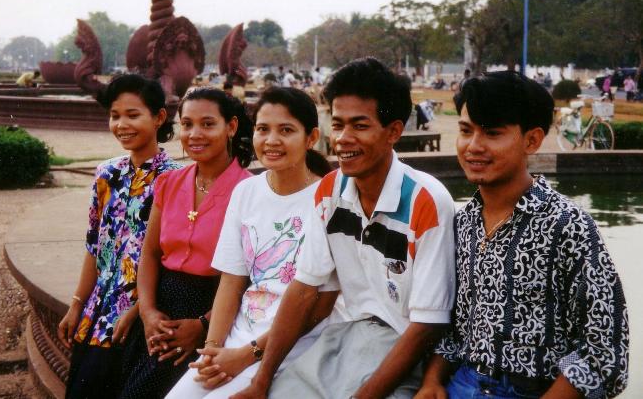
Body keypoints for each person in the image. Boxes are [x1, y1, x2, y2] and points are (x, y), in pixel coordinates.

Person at [233, 57, 457, 399]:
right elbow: (304, 289)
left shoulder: (426, 202)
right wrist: (261, 381)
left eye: (360, 126)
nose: (343, 139)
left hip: (403, 351)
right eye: (337, 125)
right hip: (341, 337)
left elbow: (426, 325)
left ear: (393, 132)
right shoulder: (330, 192)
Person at [417, 71, 629, 399]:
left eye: (492, 133)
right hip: (461, 385)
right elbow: (454, 328)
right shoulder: (463, 224)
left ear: (531, 140)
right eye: (465, 130)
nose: (473, 146)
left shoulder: (566, 225)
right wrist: (432, 381)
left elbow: (604, 351)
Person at [165, 87, 339, 398]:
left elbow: (320, 306)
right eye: (263, 129)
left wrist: (247, 355)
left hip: (292, 347)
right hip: (238, 336)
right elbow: (232, 280)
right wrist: (212, 350)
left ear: (311, 137)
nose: (271, 140)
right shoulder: (247, 192)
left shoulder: (328, 199)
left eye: (286, 130)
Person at [120, 88, 254, 398]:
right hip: (162, 311)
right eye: (187, 124)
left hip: (214, 313)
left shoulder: (249, 190)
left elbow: (250, 276)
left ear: (230, 127)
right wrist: (148, 312)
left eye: (208, 124)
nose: (194, 134)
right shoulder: (169, 182)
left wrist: (203, 326)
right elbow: (151, 253)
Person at [57, 74, 181, 398]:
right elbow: (94, 246)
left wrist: (139, 310)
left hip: (136, 321)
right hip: (96, 313)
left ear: (159, 118)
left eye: (133, 114)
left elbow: (171, 260)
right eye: (115, 115)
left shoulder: (175, 181)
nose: (121, 124)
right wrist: (76, 305)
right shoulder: (106, 173)